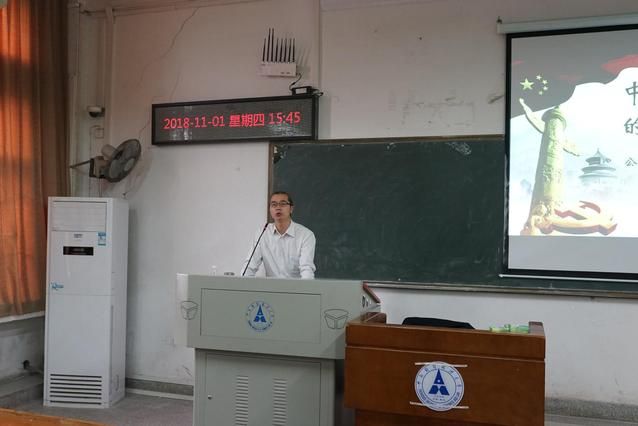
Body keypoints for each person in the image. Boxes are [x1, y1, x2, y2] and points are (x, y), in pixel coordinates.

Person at [241, 191, 316, 279]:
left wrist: (306, 287)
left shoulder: (306, 235)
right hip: (272, 287)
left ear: (291, 209)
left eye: (283, 204)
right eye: (274, 204)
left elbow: (306, 269)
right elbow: (250, 266)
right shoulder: (262, 233)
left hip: (296, 287)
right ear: (270, 209)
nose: (278, 208)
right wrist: (241, 284)